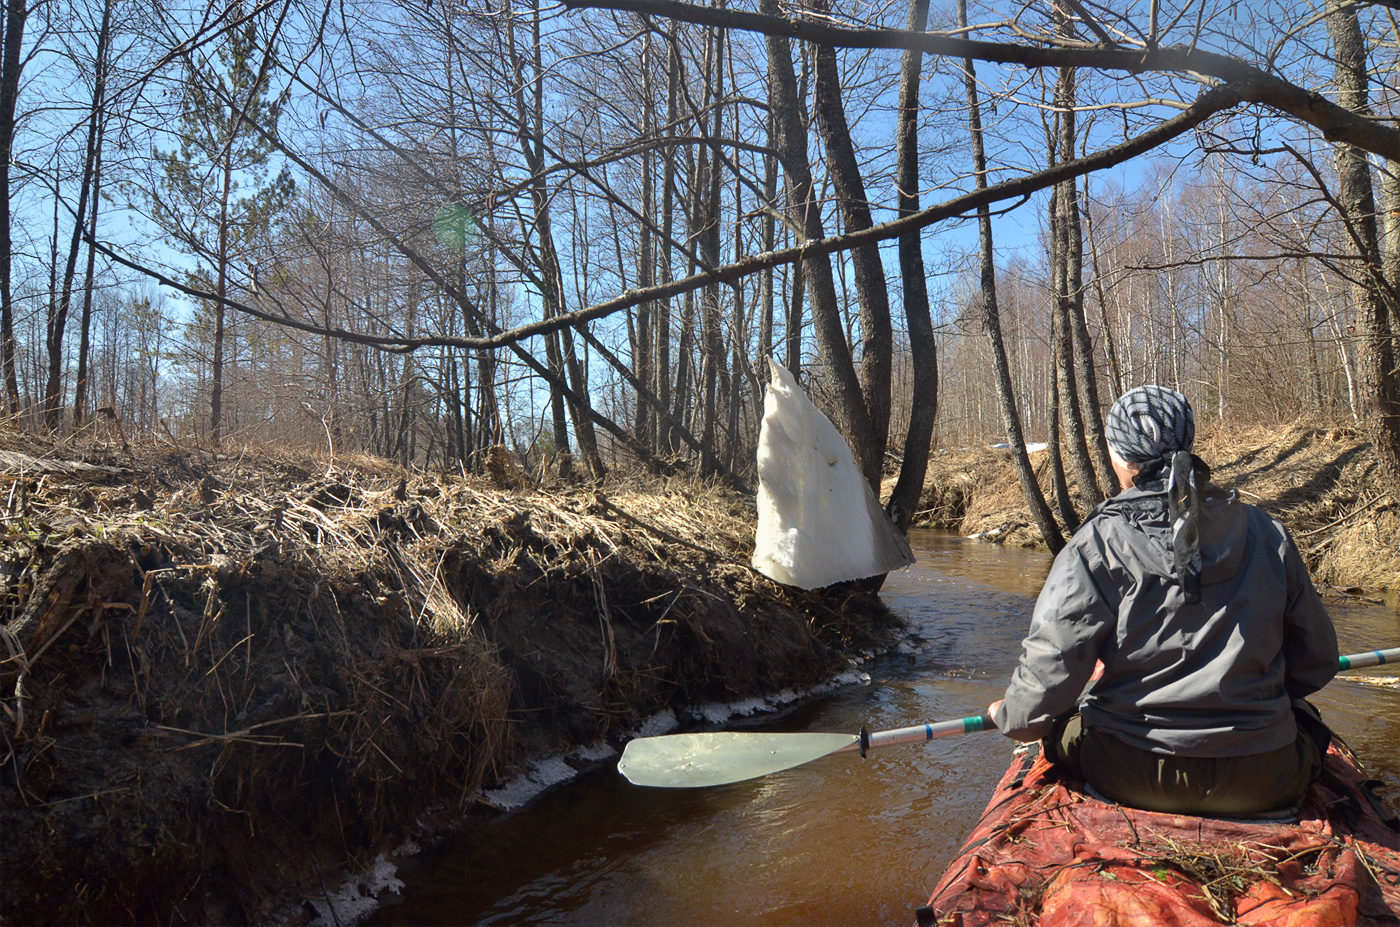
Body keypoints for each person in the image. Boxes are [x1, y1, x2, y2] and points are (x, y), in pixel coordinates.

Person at [987, 385, 1339, 816]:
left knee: (1062, 730)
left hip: (1131, 772)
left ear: (1119, 456)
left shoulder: (1095, 543)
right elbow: (1316, 662)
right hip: (1262, 777)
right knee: (1307, 718)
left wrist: (1011, 715)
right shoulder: (1267, 532)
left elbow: (1045, 682)